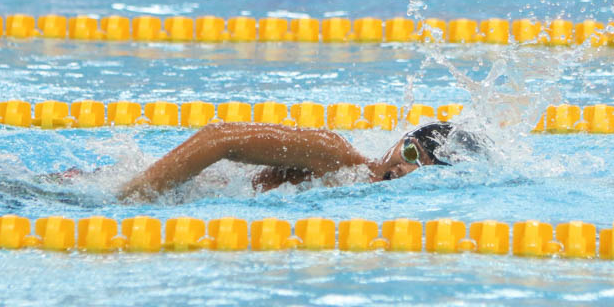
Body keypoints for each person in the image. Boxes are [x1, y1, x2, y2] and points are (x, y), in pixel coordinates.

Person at [119, 120, 486, 202]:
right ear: (399, 142)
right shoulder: (334, 154)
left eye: (422, 169)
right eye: (409, 154)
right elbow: (217, 138)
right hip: (173, 194)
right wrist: (142, 190)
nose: (405, 170)